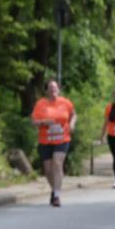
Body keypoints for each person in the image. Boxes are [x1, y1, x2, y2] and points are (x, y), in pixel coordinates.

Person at [31, 79, 76, 207]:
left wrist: (72, 124)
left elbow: (73, 114)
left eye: (55, 88)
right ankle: (54, 189)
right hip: (45, 139)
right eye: (50, 88)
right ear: (46, 91)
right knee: (48, 169)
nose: (53, 90)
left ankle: (57, 196)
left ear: (59, 90)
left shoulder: (65, 102)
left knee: (57, 162)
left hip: (62, 138)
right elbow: (33, 121)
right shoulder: (41, 104)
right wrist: (43, 122)